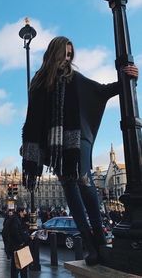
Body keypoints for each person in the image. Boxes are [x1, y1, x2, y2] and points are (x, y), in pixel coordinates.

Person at [21, 36, 139, 266]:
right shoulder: (39, 81)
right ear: (54, 53)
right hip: (55, 145)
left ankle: (101, 240)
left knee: (85, 182)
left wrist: (127, 78)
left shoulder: (73, 77)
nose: (67, 58)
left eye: (70, 54)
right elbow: (34, 116)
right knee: (70, 191)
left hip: (77, 139)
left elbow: (100, 91)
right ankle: (90, 245)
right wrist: (31, 146)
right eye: (65, 53)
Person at [3, 207, 30, 278]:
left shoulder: (15, 218)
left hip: (15, 246)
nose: (25, 213)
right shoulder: (15, 220)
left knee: (17, 266)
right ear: (20, 212)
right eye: (24, 211)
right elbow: (15, 232)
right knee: (17, 266)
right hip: (17, 246)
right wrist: (21, 242)